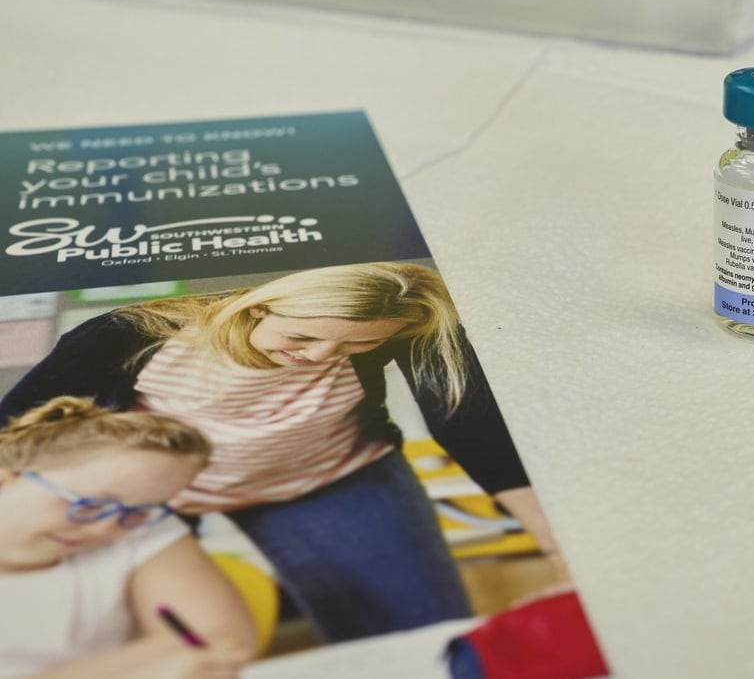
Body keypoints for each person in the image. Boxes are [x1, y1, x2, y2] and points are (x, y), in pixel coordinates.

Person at [0, 262, 566, 644]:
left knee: (413, 632)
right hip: (160, 499)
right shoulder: (126, 333)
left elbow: (468, 422)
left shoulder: (402, 323)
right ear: (253, 309)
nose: (323, 356)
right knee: (133, 643)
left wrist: (551, 537)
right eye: (300, 338)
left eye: (356, 344)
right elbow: (13, 427)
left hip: (332, 476)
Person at [0, 396, 256, 679]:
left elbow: (220, 642)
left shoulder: (138, 525)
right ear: (5, 479)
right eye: (88, 505)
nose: (105, 529)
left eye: (140, 512)